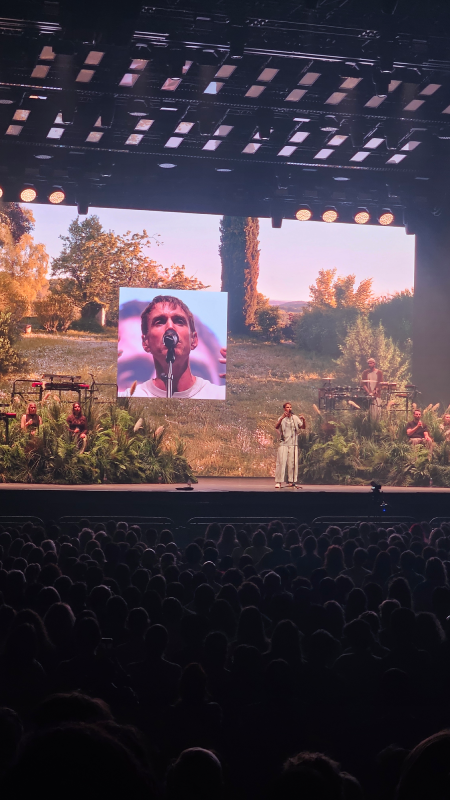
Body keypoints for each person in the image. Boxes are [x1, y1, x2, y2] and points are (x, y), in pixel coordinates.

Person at [118, 295, 226, 399]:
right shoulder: (123, 396)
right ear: (145, 342)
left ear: (194, 340)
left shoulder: (221, 395)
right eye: (134, 376)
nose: (170, 327)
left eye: (179, 321)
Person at [274, 402, 305, 488]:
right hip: (283, 443)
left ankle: (292, 481)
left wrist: (303, 420)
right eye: (287, 407)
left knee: (292, 463)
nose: (289, 409)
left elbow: (302, 427)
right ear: (284, 409)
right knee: (281, 462)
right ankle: (278, 482)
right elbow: (276, 426)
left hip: (293, 444)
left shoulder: (295, 418)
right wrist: (282, 418)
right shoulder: (281, 418)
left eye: (290, 407)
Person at [361, 357, 383, 421]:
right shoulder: (365, 372)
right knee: (369, 412)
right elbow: (363, 384)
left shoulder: (379, 372)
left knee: (377, 411)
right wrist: (369, 392)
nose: (369, 365)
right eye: (368, 363)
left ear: (374, 364)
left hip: (376, 395)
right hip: (368, 395)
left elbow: (380, 383)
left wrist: (375, 391)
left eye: (370, 363)